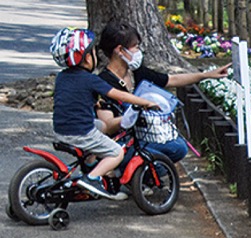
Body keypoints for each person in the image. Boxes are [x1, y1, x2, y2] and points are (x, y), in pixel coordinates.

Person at [95, 20, 231, 163]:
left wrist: (206, 75)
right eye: (135, 47)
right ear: (120, 50)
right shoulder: (103, 82)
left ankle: (142, 176)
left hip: (143, 136)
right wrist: (131, 115)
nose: (138, 52)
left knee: (178, 147)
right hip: (120, 143)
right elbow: (107, 125)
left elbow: (171, 80)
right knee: (155, 156)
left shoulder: (136, 72)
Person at [50, 28, 160, 200]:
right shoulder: (91, 79)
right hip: (80, 133)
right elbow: (119, 94)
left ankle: (90, 161)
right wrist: (145, 102)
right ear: (87, 58)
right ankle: (92, 179)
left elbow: (72, 98)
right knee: (117, 152)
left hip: (60, 129)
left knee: (101, 126)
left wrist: (95, 102)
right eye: (93, 52)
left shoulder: (62, 77)